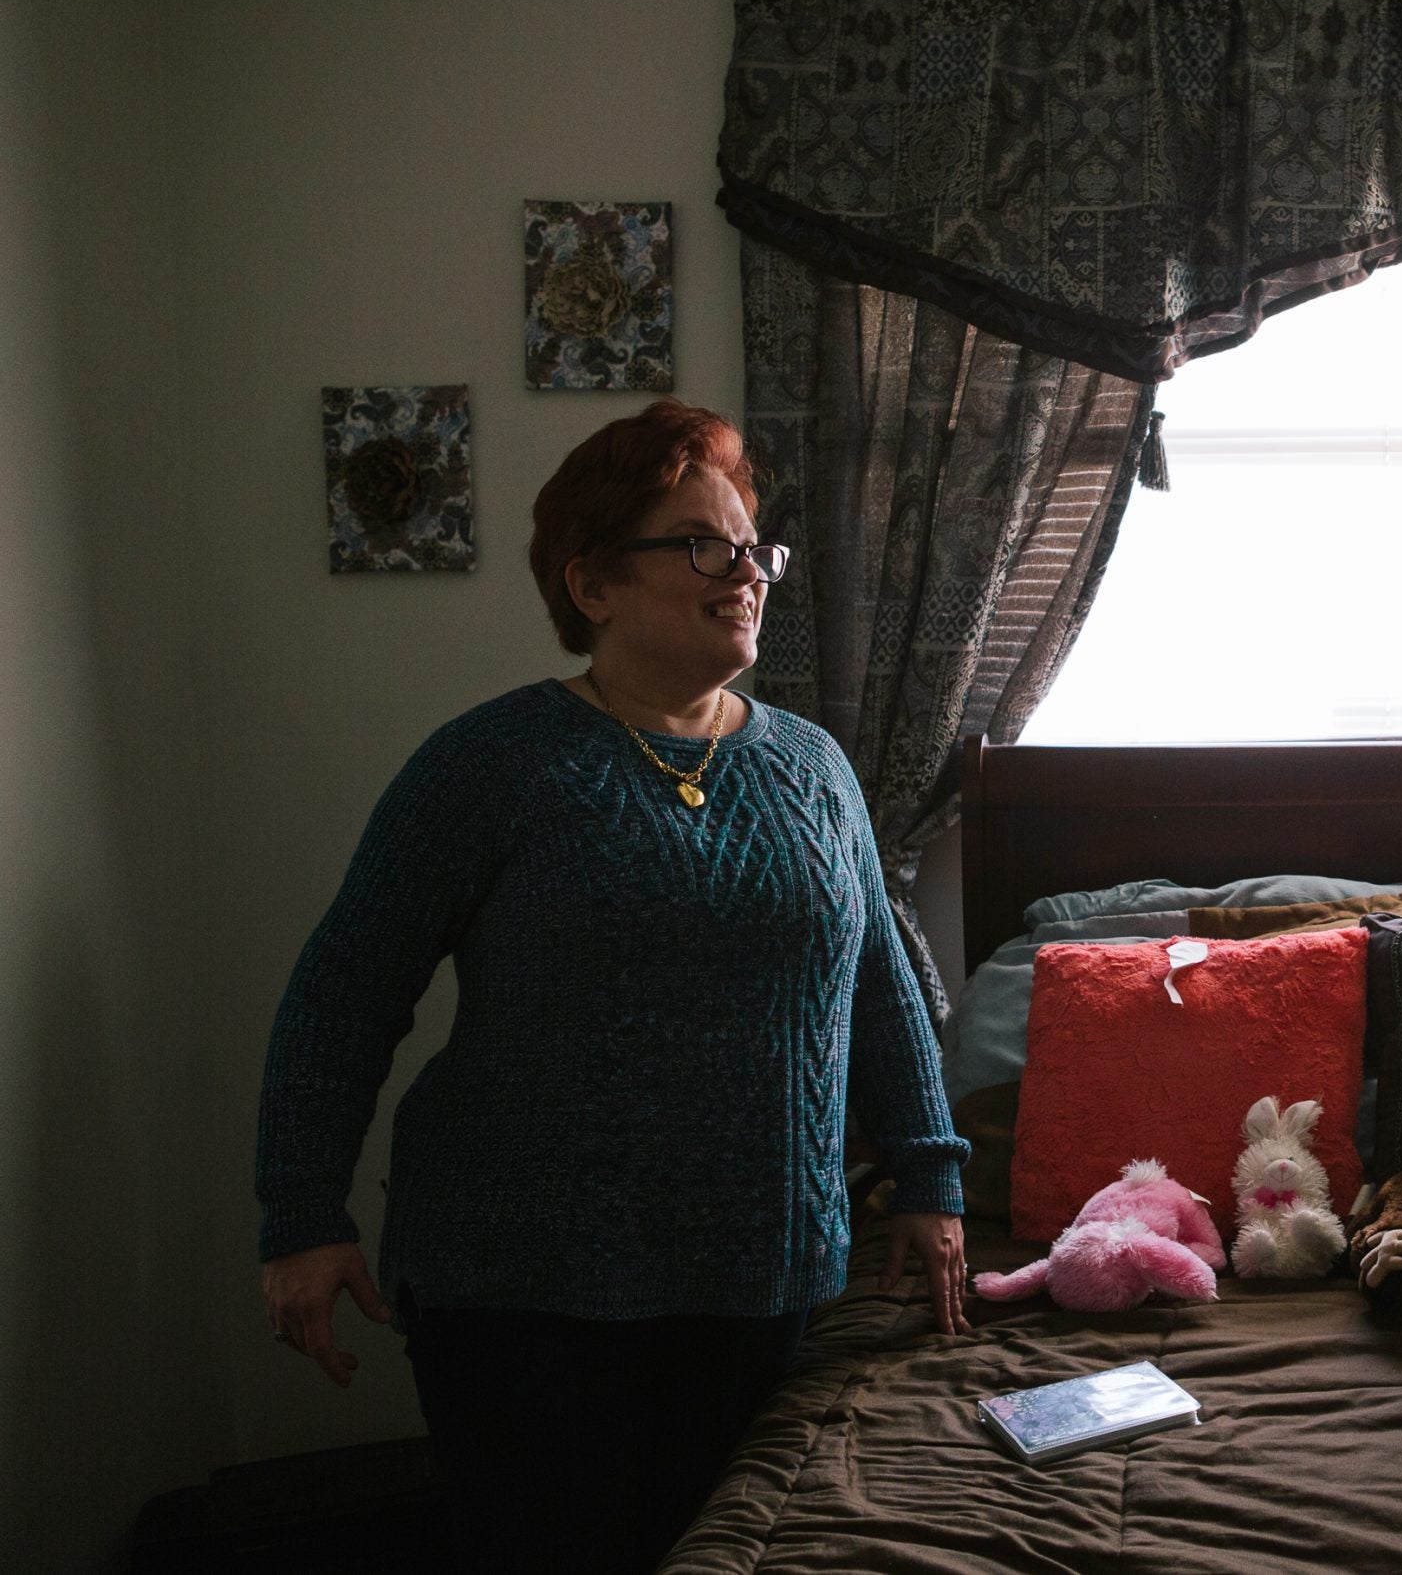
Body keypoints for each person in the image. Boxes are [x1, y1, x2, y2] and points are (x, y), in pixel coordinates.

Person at [255, 399, 968, 1573]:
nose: (742, 571)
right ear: (592, 585)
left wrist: (930, 1171)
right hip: (522, 1292)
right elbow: (345, 990)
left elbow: (878, 985)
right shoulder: (489, 765)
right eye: (701, 543)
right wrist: (302, 1214)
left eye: (752, 547)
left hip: (760, 1277)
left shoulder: (815, 766)